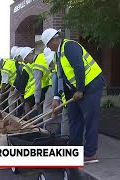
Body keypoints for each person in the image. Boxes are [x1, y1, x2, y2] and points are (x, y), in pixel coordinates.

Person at [42, 28, 104, 163]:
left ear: (54, 40)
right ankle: (74, 149)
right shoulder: (58, 55)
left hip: (91, 85)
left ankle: (90, 153)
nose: (48, 48)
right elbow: (60, 78)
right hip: (78, 89)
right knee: (74, 118)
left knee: (90, 119)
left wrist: (80, 90)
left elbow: (79, 67)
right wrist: (57, 98)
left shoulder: (70, 46)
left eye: (48, 45)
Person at [33, 48, 54, 118]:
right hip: (51, 85)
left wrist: (37, 102)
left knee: (47, 109)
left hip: (52, 86)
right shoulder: (43, 56)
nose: (25, 61)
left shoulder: (38, 64)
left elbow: (37, 84)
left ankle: (47, 128)